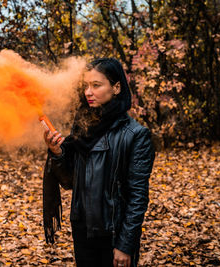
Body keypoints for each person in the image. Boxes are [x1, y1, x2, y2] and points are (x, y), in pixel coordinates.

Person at [42, 58, 155, 267]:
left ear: (116, 87)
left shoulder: (136, 135)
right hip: (83, 233)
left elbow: (137, 197)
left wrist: (125, 245)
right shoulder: (82, 129)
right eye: (86, 85)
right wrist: (57, 152)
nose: (88, 92)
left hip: (113, 237)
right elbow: (69, 182)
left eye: (96, 85)